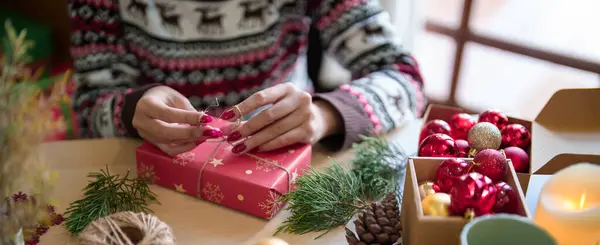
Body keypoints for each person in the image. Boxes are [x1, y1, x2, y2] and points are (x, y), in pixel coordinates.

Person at [67, 0, 424, 156]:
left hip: (288, 171)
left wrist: (323, 115)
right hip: (153, 179)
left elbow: (403, 78)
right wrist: (128, 110)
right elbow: (87, 109)